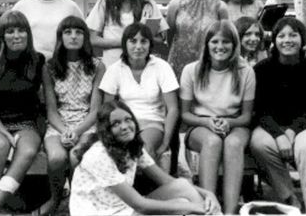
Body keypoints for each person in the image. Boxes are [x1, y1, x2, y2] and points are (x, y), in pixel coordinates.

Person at [69, 100, 221, 216]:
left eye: (128, 119)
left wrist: (207, 194)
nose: (124, 126)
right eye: (116, 123)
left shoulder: (132, 145)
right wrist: (192, 207)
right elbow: (140, 204)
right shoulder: (99, 155)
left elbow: (168, 181)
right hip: (102, 212)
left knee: (182, 188)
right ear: (106, 130)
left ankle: (211, 212)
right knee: (184, 206)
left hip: (124, 207)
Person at [250, 17, 306, 214]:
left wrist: (291, 133)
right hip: (270, 125)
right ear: (274, 40)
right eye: (282, 35)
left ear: (302, 40)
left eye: (293, 35)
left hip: (305, 125)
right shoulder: (261, 70)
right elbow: (259, 109)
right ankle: (289, 198)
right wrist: (278, 135)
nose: (287, 40)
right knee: (260, 144)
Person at [180, 20, 256, 214]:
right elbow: (185, 114)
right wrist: (207, 122)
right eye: (214, 41)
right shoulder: (192, 70)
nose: (220, 47)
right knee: (213, 142)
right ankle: (210, 209)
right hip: (200, 125)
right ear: (206, 44)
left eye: (226, 42)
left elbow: (246, 117)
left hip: (236, 123)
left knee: (233, 144)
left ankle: (229, 211)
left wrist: (228, 122)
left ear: (234, 45)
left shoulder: (245, 72)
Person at [0, 10, 45, 216]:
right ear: (2, 36)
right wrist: (4, 133)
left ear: (28, 34)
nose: (16, 36)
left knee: (29, 152)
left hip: (26, 124)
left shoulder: (37, 60)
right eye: (10, 31)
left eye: (21, 31)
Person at [34, 16, 105, 215]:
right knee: (56, 158)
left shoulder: (97, 66)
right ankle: (56, 198)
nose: (73, 36)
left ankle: (78, 202)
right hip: (58, 124)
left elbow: (95, 110)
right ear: (60, 37)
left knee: (76, 157)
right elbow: (51, 110)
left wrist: (77, 131)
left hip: (87, 123)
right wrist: (65, 131)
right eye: (68, 32)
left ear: (85, 37)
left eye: (79, 32)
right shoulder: (49, 67)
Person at [99, 22, 178, 166]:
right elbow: (107, 108)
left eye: (144, 41)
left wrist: (166, 142)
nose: (138, 46)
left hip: (152, 123)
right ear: (125, 44)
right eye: (133, 41)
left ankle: (148, 188)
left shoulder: (162, 67)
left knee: (143, 150)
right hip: (125, 122)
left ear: (150, 44)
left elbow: (172, 108)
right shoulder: (115, 69)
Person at [86, 0, 169, 67]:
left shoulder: (148, 3)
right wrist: (126, 41)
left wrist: (144, 35)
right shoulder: (105, 3)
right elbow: (92, 39)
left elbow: (160, 39)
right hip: (111, 68)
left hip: (141, 68)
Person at [167, 0, 229, 78]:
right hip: (179, 67)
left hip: (209, 67)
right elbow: (169, 38)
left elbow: (226, 39)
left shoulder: (220, 7)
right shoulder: (175, 4)